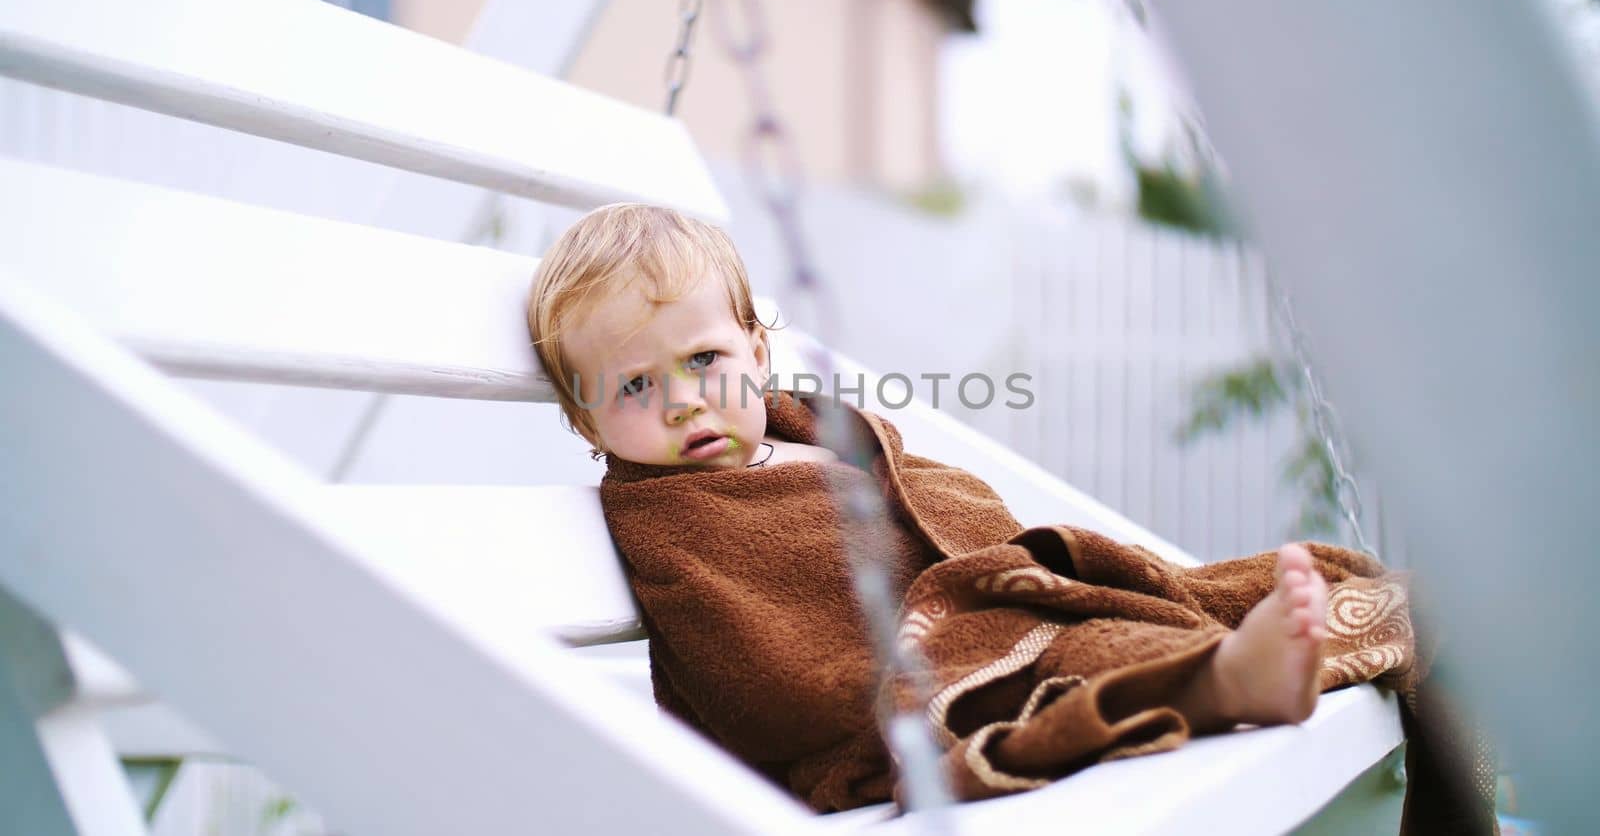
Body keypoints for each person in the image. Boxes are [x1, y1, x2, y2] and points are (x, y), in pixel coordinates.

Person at [526, 204, 1488, 828]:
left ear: (754, 341)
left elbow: (956, 511)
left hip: (1013, 603)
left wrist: (1016, 574)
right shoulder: (670, 522)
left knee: (1359, 586)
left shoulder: (817, 432)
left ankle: (1259, 649)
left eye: (702, 361)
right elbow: (761, 675)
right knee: (1081, 656)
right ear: (583, 418)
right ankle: (1224, 682)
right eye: (633, 386)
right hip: (918, 680)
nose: (684, 402)